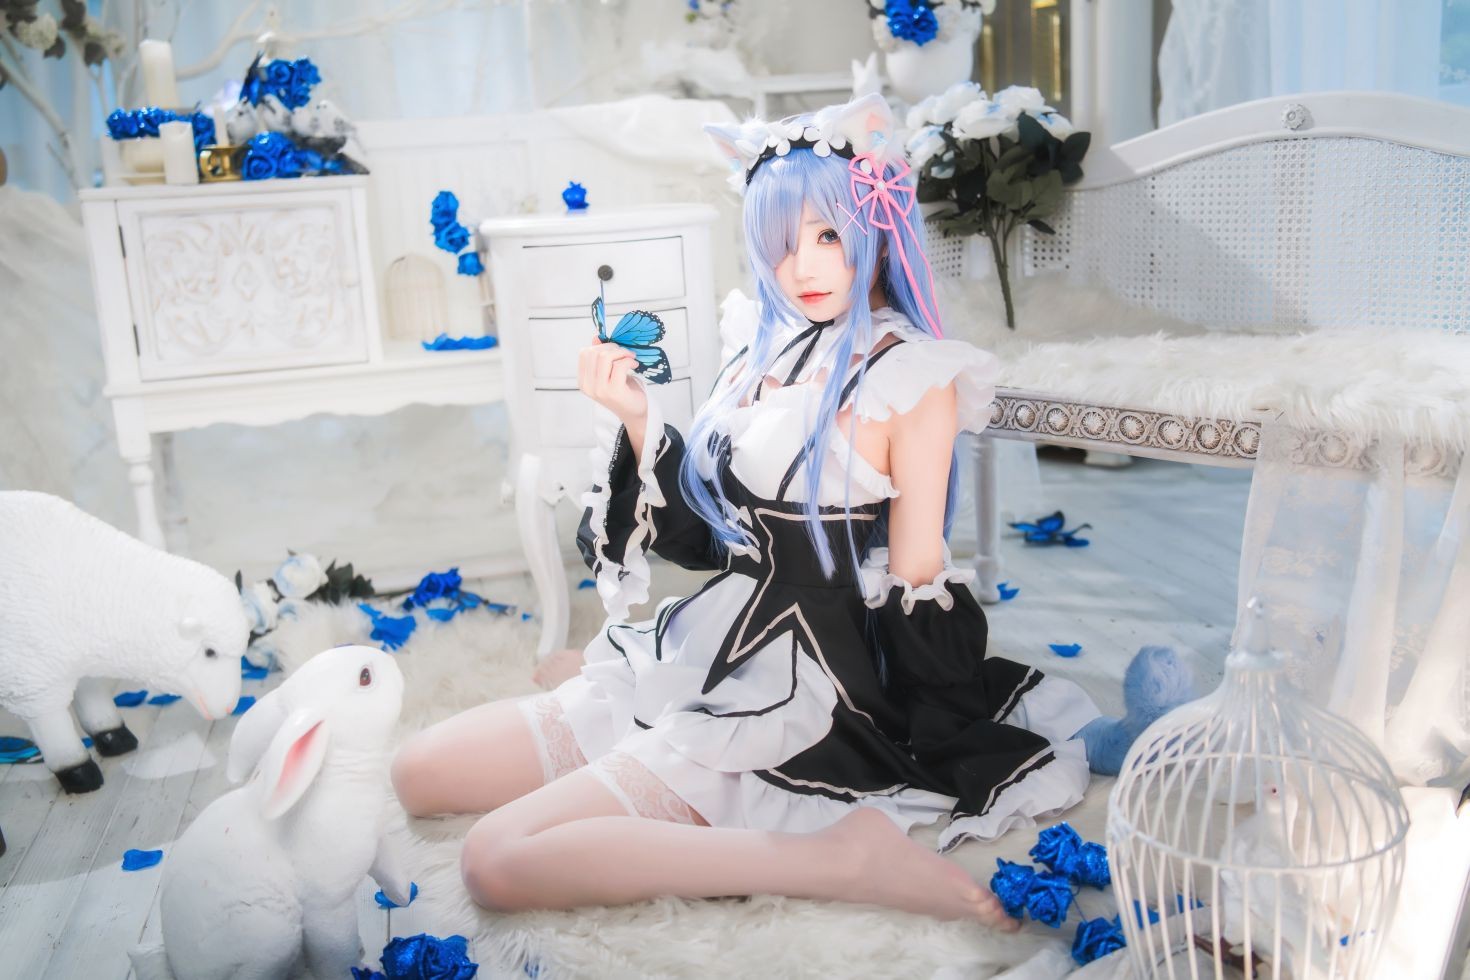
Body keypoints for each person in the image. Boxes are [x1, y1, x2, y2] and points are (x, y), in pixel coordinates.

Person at [389, 93, 1104, 926]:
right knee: (418, 773)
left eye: (828, 235)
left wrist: (926, 731)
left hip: (800, 686)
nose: (803, 266)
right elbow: (709, 539)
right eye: (782, 242)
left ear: (875, 229)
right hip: (708, 642)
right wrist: (638, 422)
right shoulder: (761, 348)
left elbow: (916, 577)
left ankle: (836, 858)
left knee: (494, 860)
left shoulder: (913, 378)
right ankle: (636, 742)